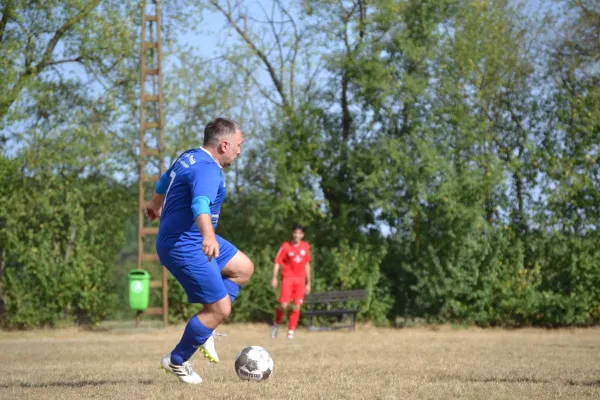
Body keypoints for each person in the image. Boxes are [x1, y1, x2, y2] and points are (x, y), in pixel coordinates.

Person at [145, 117, 254, 384]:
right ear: (224, 144)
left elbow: (163, 180)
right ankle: (177, 360)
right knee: (220, 309)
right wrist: (208, 236)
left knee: (243, 268)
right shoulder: (208, 170)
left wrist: (155, 204)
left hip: (189, 237)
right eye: (238, 145)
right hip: (185, 244)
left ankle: (205, 331)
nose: (239, 151)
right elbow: (200, 204)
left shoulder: (190, 157)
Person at [270, 224, 312, 339]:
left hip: (300, 280)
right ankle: (276, 324)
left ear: (302, 235)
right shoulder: (285, 246)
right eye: (295, 232)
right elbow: (277, 262)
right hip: (287, 278)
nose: (297, 235)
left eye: (300, 233)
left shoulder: (305, 246)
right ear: (292, 233)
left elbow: (307, 264)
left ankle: (291, 330)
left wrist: (309, 282)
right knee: (283, 305)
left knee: (297, 306)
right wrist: (274, 277)